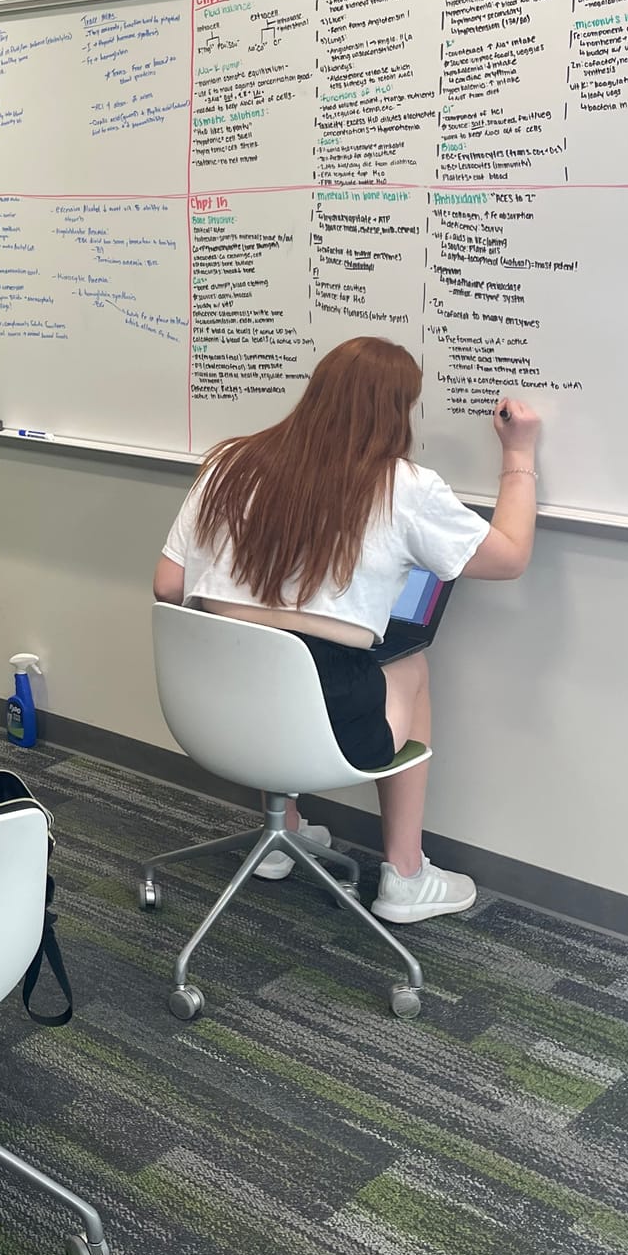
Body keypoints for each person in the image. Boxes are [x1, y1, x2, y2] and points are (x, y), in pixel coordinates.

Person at [152, 337, 541, 923]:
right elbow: (509, 557)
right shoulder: (404, 487)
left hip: (210, 718)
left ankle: (280, 834)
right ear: (397, 412)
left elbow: (167, 585)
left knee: (260, 644)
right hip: (323, 733)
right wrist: (520, 457)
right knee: (408, 665)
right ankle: (405, 874)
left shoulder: (226, 464)